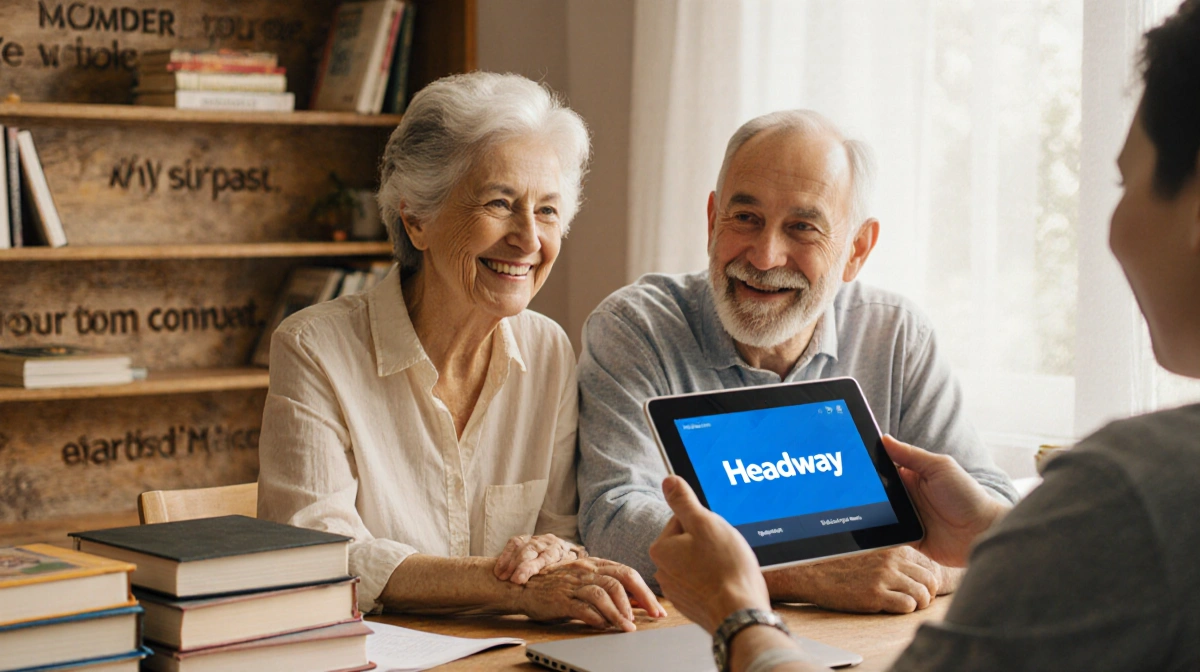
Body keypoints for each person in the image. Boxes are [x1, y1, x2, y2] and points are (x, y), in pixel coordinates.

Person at [650, 2, 1200, 669]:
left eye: (1125, 182)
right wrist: (990, 533)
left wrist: (740, 613)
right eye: (745, 218)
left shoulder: (1140, 490)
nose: (765, 255)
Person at [257, 71, 663, 629]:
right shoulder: (314, 348)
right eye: (500, 202)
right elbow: (316, 555)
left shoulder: (548, 349)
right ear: (416, 220)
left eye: (547, 211)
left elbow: (562, 531)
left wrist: (551, 553)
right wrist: (509, 587)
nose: (528, 238)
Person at [577, 109, 1017, 613]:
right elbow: (614, 519)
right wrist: (809, 574)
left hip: (874, 633)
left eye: (803, 228)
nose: (764, 257)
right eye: (746, 218)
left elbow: (989, 505)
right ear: (712, 221)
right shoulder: (635, 327)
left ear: (856, 249)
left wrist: (923, 570)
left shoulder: (897, 335)